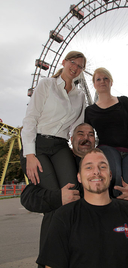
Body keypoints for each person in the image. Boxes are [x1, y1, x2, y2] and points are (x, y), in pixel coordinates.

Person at [21, 124, 128, 268]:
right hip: (65, 252)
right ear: (71, 139)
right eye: (80, 134)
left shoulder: (106, 164)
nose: (86, 138)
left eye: (90, 135)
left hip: (111, 246)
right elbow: (27, 196)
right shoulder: (57, 164)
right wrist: (58, 197)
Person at [20, 51, 86, 191]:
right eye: (72, 62)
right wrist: (30, 155)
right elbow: (31, 118)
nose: (75, 67)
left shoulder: (80, 96)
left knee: (71, 189)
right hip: (39, 144)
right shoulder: (46, 84)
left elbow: (77, 128)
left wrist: (79, 152)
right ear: (64, 62)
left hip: (61, 146)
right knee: (52, 192)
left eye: (80, 66)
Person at [85, 67, 128, 196]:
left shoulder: (124, 101)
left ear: (111, 82)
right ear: (94, 84)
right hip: (107, 148)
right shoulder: (90, 111)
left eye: (106, 78)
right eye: (98, 79)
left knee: (127, 188)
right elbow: (88, 136)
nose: (102, 81)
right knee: (115, 184)